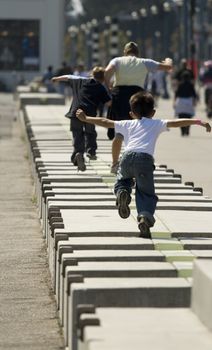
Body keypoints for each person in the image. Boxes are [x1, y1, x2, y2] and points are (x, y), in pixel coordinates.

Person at [76, 91, 211, 237]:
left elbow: (105, 122)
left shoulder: (127, 123)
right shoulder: (156, 123)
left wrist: (86, 118)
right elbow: (176, 122)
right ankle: (144, 218)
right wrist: (198, 122)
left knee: (122, 180)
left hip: (127, 158)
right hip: (145, 160)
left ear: (131, 113)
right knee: (146, 192)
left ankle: (123, 192)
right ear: (153, 112)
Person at [104, 42, 173, 174]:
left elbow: (107, 72)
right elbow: (168, 67)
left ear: (125, 52)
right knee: (140, 128)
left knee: (119, 132)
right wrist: (168, 60)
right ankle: (139, 160)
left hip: (119, 96)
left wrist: (109, 88)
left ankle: (114, 164)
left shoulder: (117, 60)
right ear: (137, 53)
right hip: (137, 98)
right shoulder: (144, 62)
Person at [52, 66, 111, 171]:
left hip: (75, 112)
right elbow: (109, 103)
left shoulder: (80, 81)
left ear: (92, 75)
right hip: (89, 115)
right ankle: (91, 151)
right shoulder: (101, 87)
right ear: (103, 78)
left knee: (77, 133)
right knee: (90, 133)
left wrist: (57, 78)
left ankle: (78, 153)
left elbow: (68, 77)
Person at [174, 71, 198, 136]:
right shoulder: (191, 85)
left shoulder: (180, 85)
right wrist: (195, 102)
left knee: (180, 117)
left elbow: (176, 94)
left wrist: (174, 102)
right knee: (188, 117)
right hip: (188, 101)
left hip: (180, 101)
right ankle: (187, 129)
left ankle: (182, 130)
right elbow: (194, 94)